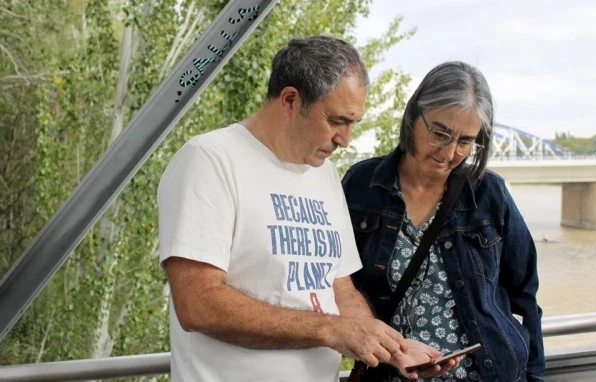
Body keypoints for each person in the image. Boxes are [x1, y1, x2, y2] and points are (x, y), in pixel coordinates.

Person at [157, 36, 456, 382]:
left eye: (353, 123)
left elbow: (339, 288)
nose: (345, 139)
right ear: (290, 100)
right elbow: (198, 303)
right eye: (337, 120)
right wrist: (330, 330)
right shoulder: (210, 160)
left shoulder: (323, 173)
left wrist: (393, 348)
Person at [341, 61, 545, 382]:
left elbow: (525, 298)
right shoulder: (362, 185)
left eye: (465, 141)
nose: (449, 153)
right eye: (440, 133)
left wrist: (534, 378)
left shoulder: (491, 193)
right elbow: (338, 283)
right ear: (413, 117)